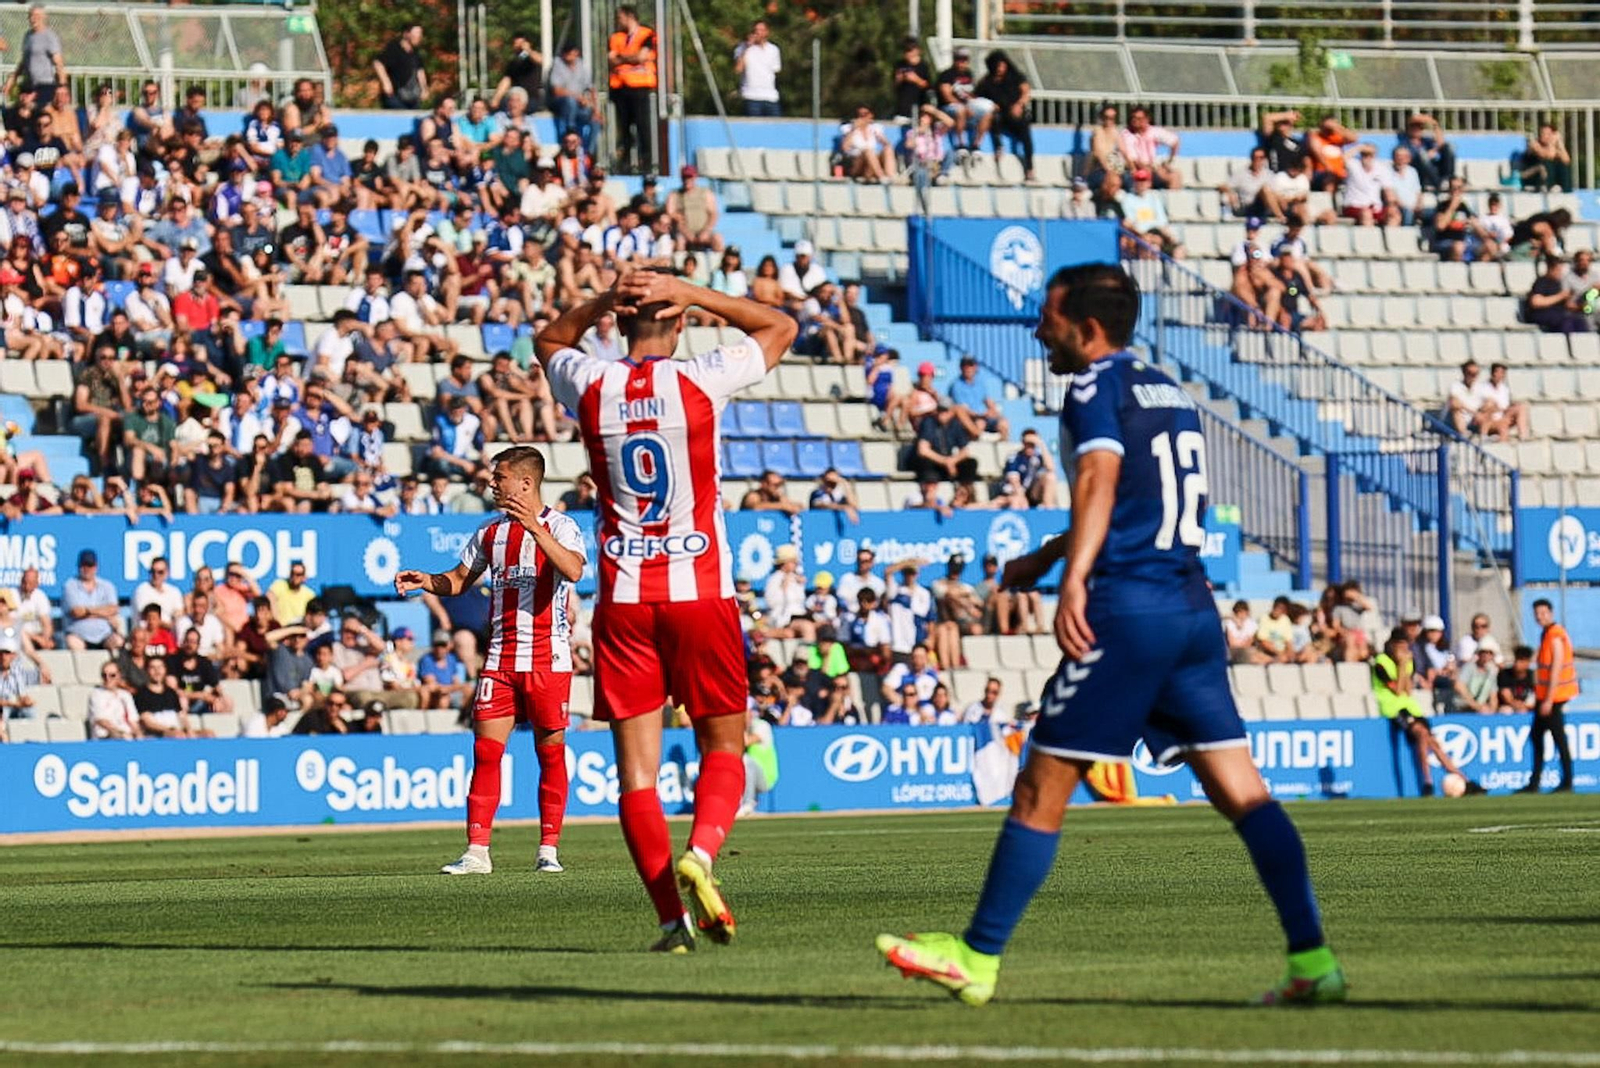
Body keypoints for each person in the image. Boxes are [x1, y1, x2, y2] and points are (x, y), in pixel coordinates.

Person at [874, 262, 1346, 1007]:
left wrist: (1074, 579)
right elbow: (1138, 502)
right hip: (1191, 612)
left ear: (1087, 329)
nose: (1039, 329)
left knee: (1039, 787)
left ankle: (977, 956)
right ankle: (1314, 960)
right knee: (1243, 793)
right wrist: (1050, 552)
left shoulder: (1093, 388)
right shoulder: (1170, 391)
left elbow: (1098, 478)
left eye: (1049, 317)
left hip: (1128, 615)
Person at [535, 267, 796, 951]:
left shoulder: (591, 382)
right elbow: (781, 327)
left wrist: (598, 297)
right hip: (700, 592)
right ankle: (702, 853)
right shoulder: (700, 378)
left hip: (623, 601)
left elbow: (547, 339)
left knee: (637, 776)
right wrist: (699, 291)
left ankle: (668, 921)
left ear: (618, 324)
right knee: (724, 747)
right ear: (679, 323)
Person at [396, 447, 586, 875]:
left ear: (525, 482)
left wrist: (535, 530)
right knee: (485, 752)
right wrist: (427, 579)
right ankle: (477, 851)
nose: (491, 484)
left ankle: (548, 849)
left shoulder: (563, 527)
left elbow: (573, 571)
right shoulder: (488, 533)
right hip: (500, 658)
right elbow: (459, 580)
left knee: (550, 754)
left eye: (499, 477)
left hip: (547, 660)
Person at [1371, 630, 1479, 797]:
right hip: (1393, 709)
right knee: (1422, 734)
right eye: (1400, 646)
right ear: (1392, 645)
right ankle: (1427, 781)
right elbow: (1398, 691)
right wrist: (1401, 666)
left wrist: (1405, 666)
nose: (1403, 650)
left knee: (1433, 743)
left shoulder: (1409, 661)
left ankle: (1463, 779)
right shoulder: (1381, 663)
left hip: (1411, 708)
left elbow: (1407, 689)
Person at [1520, 599, 1577, 794]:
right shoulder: (1546, 634)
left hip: (1554, 697)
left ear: (1551, 613)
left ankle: (1566, 782)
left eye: (1543, 613)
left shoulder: (1555, 635)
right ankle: (1535, 783)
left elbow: (1556, 668)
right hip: (1545, 696)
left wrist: (1548, 700)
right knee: (1538, 736)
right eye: (1537, 613)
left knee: (1557, 738)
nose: (1539, 617)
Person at [607, 6, 657, 174]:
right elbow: (612, 59)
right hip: (621, 88)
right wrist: (630, 59)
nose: (618, 20)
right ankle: (625, 163)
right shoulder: (616, 38)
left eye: (620, 17)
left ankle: (646, 162)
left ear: (630, 17)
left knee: (643, 127)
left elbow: (642, 56)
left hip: (640, 87)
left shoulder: (646, 34)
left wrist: (623, 58)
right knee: (624, 128)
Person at [5, 6, 65, 100]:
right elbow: (24, 61)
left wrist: (62, 86)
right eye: (31, 16)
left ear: (44, 17)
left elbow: (59, 63)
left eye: (36, 16)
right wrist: (13, 78)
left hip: (45, 85)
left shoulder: (50, 37)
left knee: (42, 112)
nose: (33, 19)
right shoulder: (28, 36)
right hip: (29, 84)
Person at [1524, 257, 1591, 335]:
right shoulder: (1542, 281)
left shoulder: (1559, 283)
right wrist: (1560, 296)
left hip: (1559, 313)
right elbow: (1536, 302)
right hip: (1542, 314)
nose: (1560, 273)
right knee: (1566, 322)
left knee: (1580, 322)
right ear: (1551, 269)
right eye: (1558, 270)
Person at [733, 21, 781, 118]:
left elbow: (776, 69)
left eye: (762, 30)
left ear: (767, 32)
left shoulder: (773, 49)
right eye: (756, 30)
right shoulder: (742, 48)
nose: (759, 33)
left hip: (770, 96)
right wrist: (747, 48)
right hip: (751, 96)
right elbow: (738, 69)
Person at [375, 24, 428, 109]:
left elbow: (420, 71)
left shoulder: (416, 53)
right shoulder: (394, 48)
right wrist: (386, 82)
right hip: (395, 96)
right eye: (417, 33)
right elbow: (378, 63)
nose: (419, 36)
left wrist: (424, 88)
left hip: (412, 97)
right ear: (406, 34)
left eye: (420, 33)